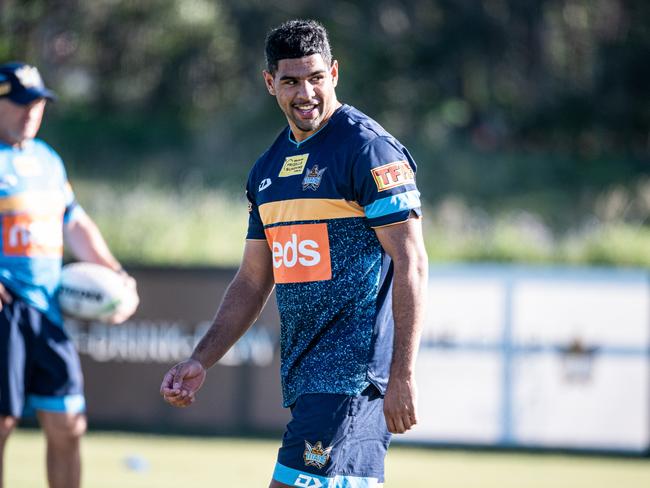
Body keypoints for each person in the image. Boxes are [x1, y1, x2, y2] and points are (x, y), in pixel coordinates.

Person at [161, 19, 428, 487]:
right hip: (307, 377)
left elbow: (412, 262)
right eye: (290, 81)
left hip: (353, 376)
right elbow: (251, 280)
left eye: (315, 78)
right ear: (270, 83)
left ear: (335, 74)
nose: (305, 93)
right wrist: (200, 359)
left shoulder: (367, 150)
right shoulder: (267, 170)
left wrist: (401, 374)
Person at [0, 62, 138, 488]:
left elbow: (75, 224)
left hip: (49, 310)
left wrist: (115, 274)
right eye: (22, 103)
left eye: (38, 104)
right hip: (6, 312)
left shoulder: (47, 160)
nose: (31, 113)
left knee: (68, 423)